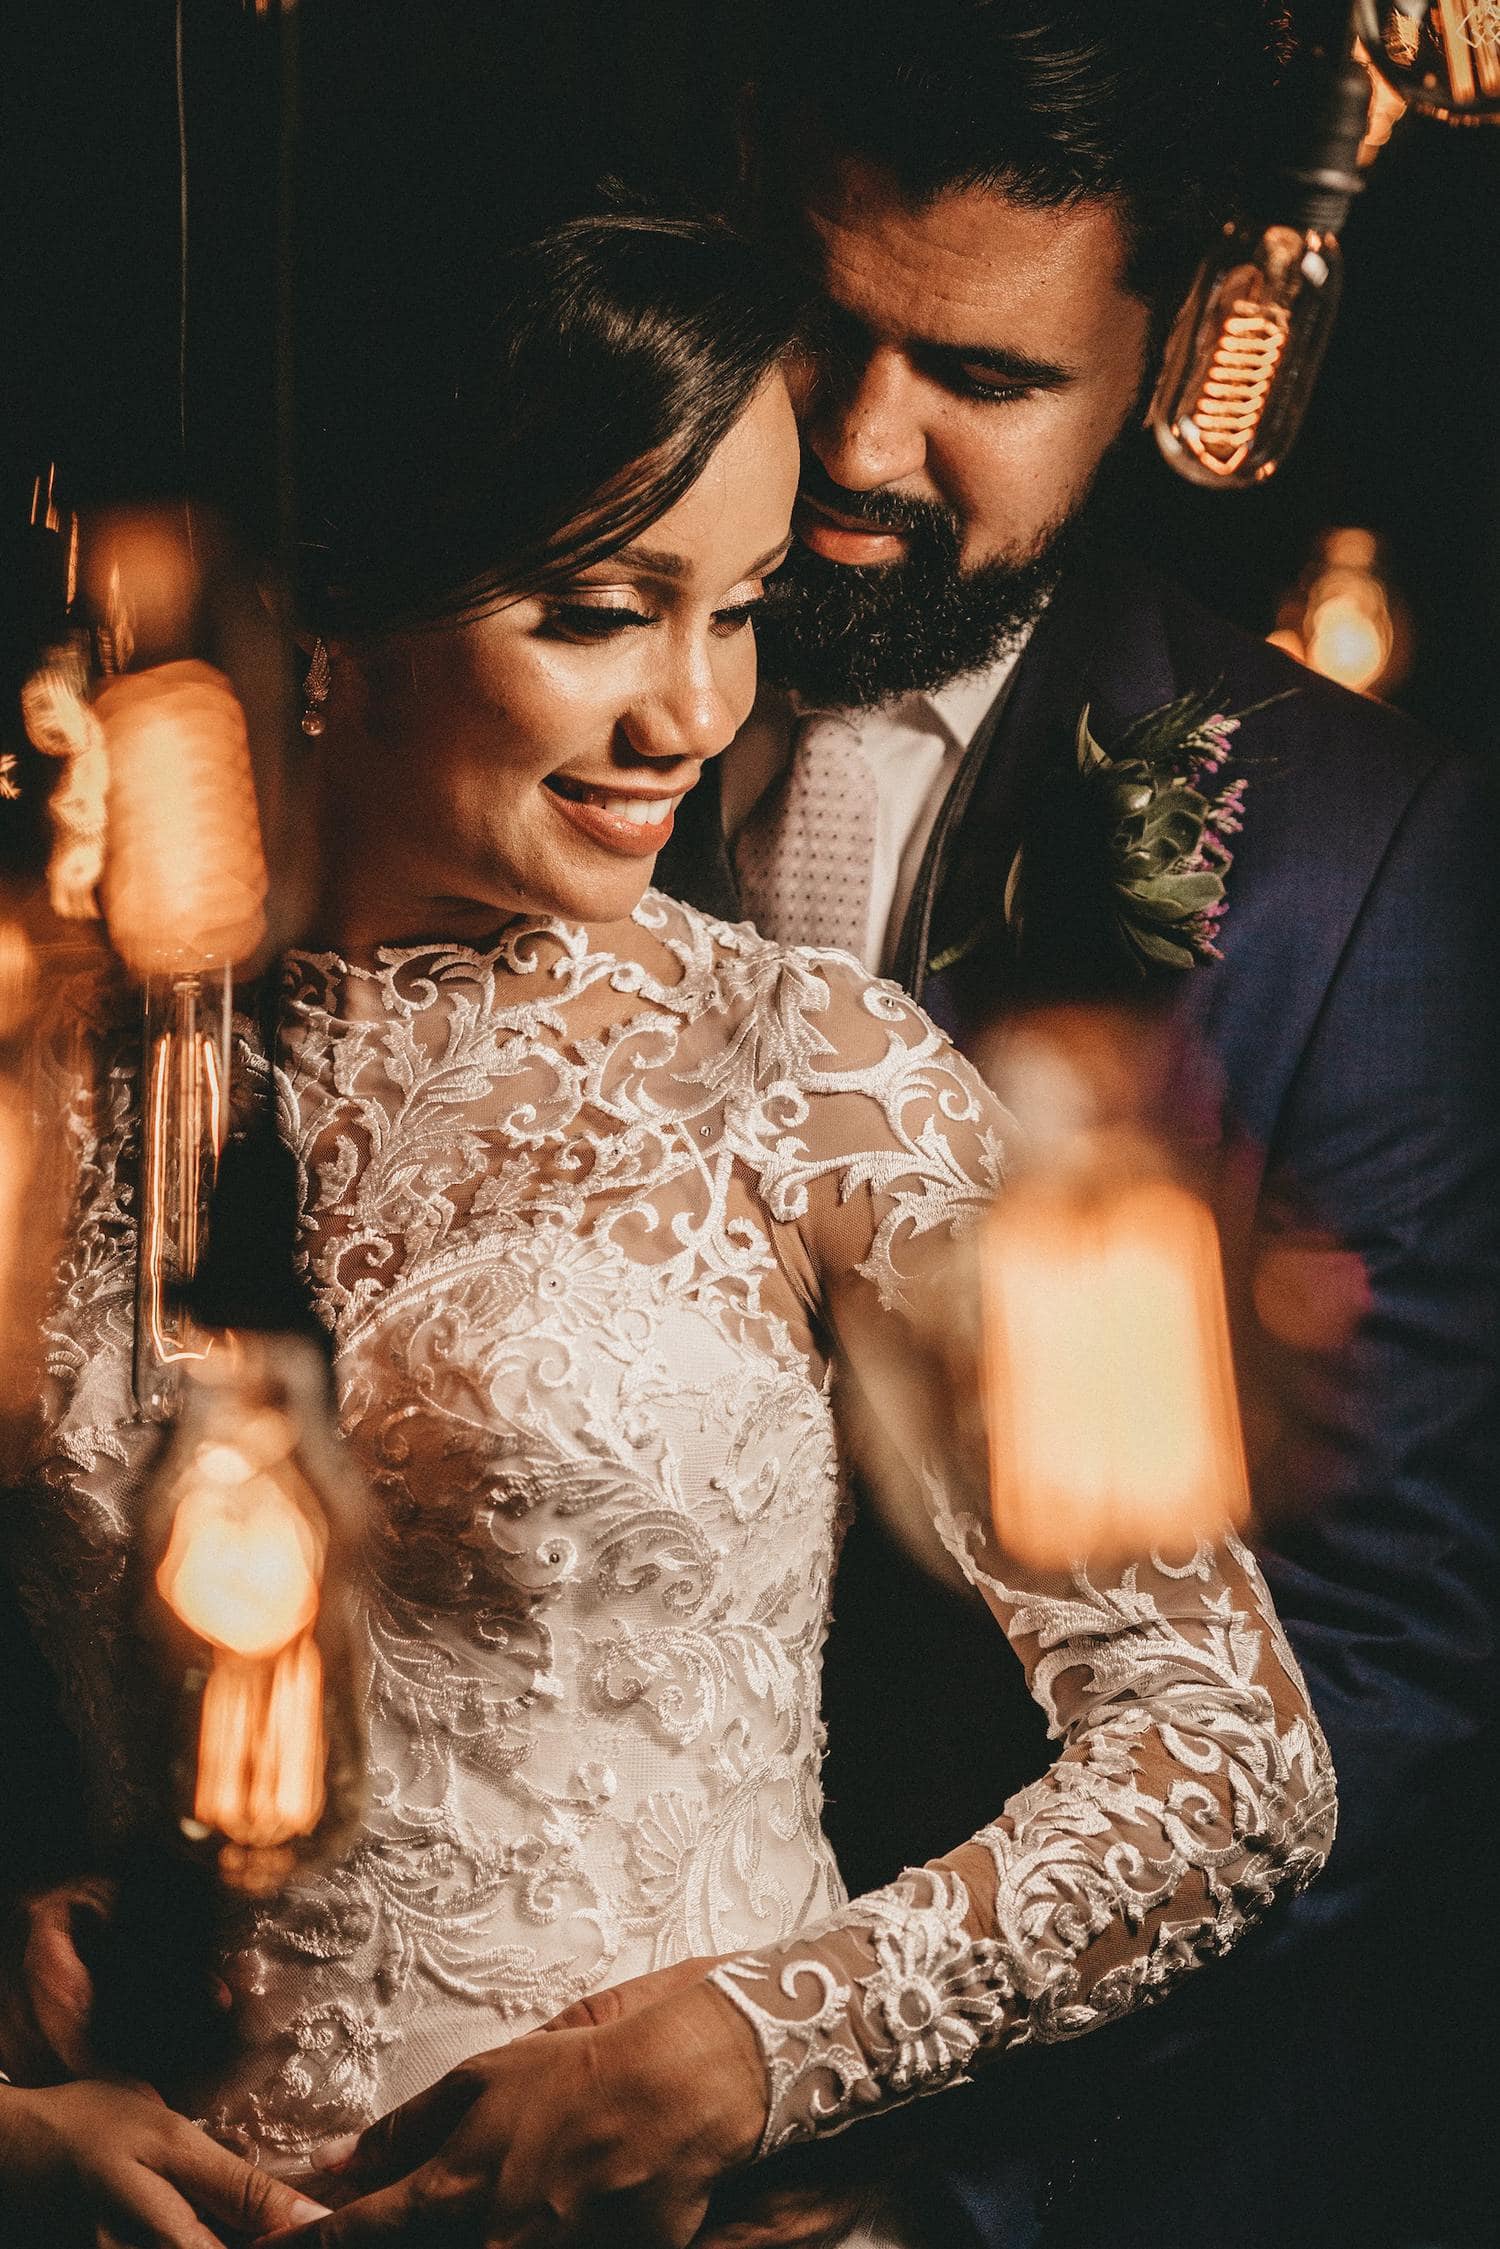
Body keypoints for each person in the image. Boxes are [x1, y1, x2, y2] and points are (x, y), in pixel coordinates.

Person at [0, 212, 1337, 2249]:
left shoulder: (827, 1066)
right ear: (329, 609)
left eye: (737, 610)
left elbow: (1235, 1755)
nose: (694, 710)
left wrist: (761, 2044)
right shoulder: (52, 1089)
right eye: (607, 613)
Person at [652, 7, 1500, 2245]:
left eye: (985, 380)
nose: (857, 442)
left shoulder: (1361, 868)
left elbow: (1375, 1681)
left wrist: (958, 2202)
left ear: (1171, 347)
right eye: (816, 327)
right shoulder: (474, 721)